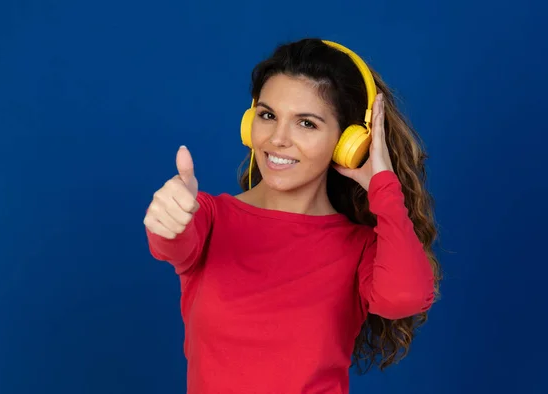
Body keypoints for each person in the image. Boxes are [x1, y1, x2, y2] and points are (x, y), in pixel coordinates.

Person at [143, 38, 441, 394]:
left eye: (307, 124)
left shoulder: (360, 248)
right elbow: (170, 241)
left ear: (348, 142)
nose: (278, 139)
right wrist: (168, 215)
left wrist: (384, 187)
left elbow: (404, 297)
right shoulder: (209, 217)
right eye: (268, 116)